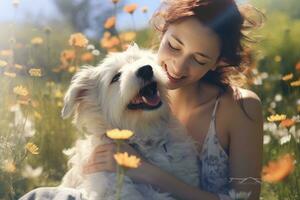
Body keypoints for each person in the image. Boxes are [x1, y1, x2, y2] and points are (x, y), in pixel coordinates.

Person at [83, 0, 264, 200]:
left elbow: (247, 198)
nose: (178, 68)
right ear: (163, 31)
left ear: (218, 61)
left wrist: (147, 171)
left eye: (199, 59)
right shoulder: (135, 97)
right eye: (174, 46)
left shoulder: (241, 107)